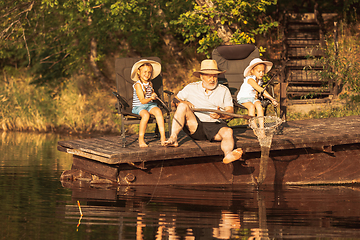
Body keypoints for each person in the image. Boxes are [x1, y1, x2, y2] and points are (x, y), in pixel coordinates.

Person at [164, 59, 243, 164]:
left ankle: (228, 154)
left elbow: (230, 112)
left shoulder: (223, 90)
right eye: (209, 76)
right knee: (182, 106)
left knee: (228, 132)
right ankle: (173, 138)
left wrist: (221, 115)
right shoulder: (191, 88)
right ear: (201, 76)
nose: (212, 79)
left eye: (215, 76)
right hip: (195, 125)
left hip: (215, 126)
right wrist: (183, 102)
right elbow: (174, 101)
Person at [131, 59, 166, 148]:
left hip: (150, 105)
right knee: (146, 115)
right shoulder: (138, 85)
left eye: (149, 72)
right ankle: (141, 139)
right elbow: (142, 100)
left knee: (158, 111)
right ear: (139, 72)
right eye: (145, 72)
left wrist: (153, 94)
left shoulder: (150, 83)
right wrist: (150, 97)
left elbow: (151, 92)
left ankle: (163, 137)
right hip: (139, 106)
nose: (147, 74)